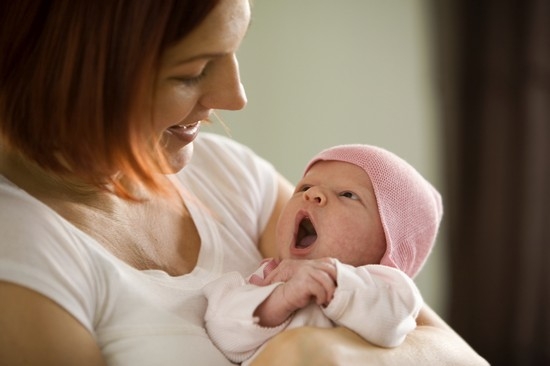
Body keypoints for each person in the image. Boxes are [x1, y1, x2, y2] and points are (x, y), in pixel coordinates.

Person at [0, 1, 488, 365]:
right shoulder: (21, 254)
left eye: (234, 52)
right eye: (192, 72)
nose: (235, 98)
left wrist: (313, 351)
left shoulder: (227, 175)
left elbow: (462, 358)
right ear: (67, 75)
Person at [203, 144, 442, 365]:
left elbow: (391, 323)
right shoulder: (266, 280)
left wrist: (333, 281)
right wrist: (277, 301)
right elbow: (223, 333)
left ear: (389, 243)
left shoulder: (390, 289)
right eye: (304, 187)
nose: (312, 193)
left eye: (347, 194)